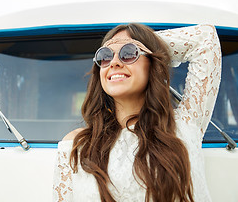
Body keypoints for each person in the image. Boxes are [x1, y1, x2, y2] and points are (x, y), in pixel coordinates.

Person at [53, 23, 221, 202]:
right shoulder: (76, 145)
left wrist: (148, 43)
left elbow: (206, 38)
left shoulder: (185, 123)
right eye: (105, 56)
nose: (114, 62)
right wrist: (127, 46)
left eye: (129, 53)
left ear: (153, 65)